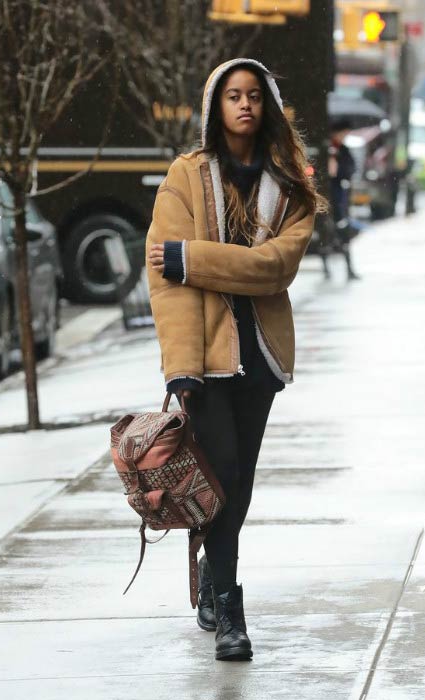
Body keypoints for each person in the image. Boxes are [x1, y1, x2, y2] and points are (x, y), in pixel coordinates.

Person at [147, 58, 325, 661]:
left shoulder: (292, 185)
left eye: (254, 95)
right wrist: (180, 368)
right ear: (214, 107)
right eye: (232, 95)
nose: (244, 104)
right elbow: (165, 285)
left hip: (263, 359)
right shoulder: (185, 176)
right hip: (206, 360)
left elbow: (276, 268)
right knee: (220, 472)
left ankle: (211, 574)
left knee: (237, 484)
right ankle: (230, 610)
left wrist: (191, 258)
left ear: (268, 105)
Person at [327, 117, 361, 280]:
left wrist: (340, 171)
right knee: (329, 230)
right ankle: (327, 263)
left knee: (343, 229)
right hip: (328, 194)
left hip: (340, 195)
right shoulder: (326, 148)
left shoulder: (343, 150)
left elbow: (350, 168)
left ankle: (349, 268)